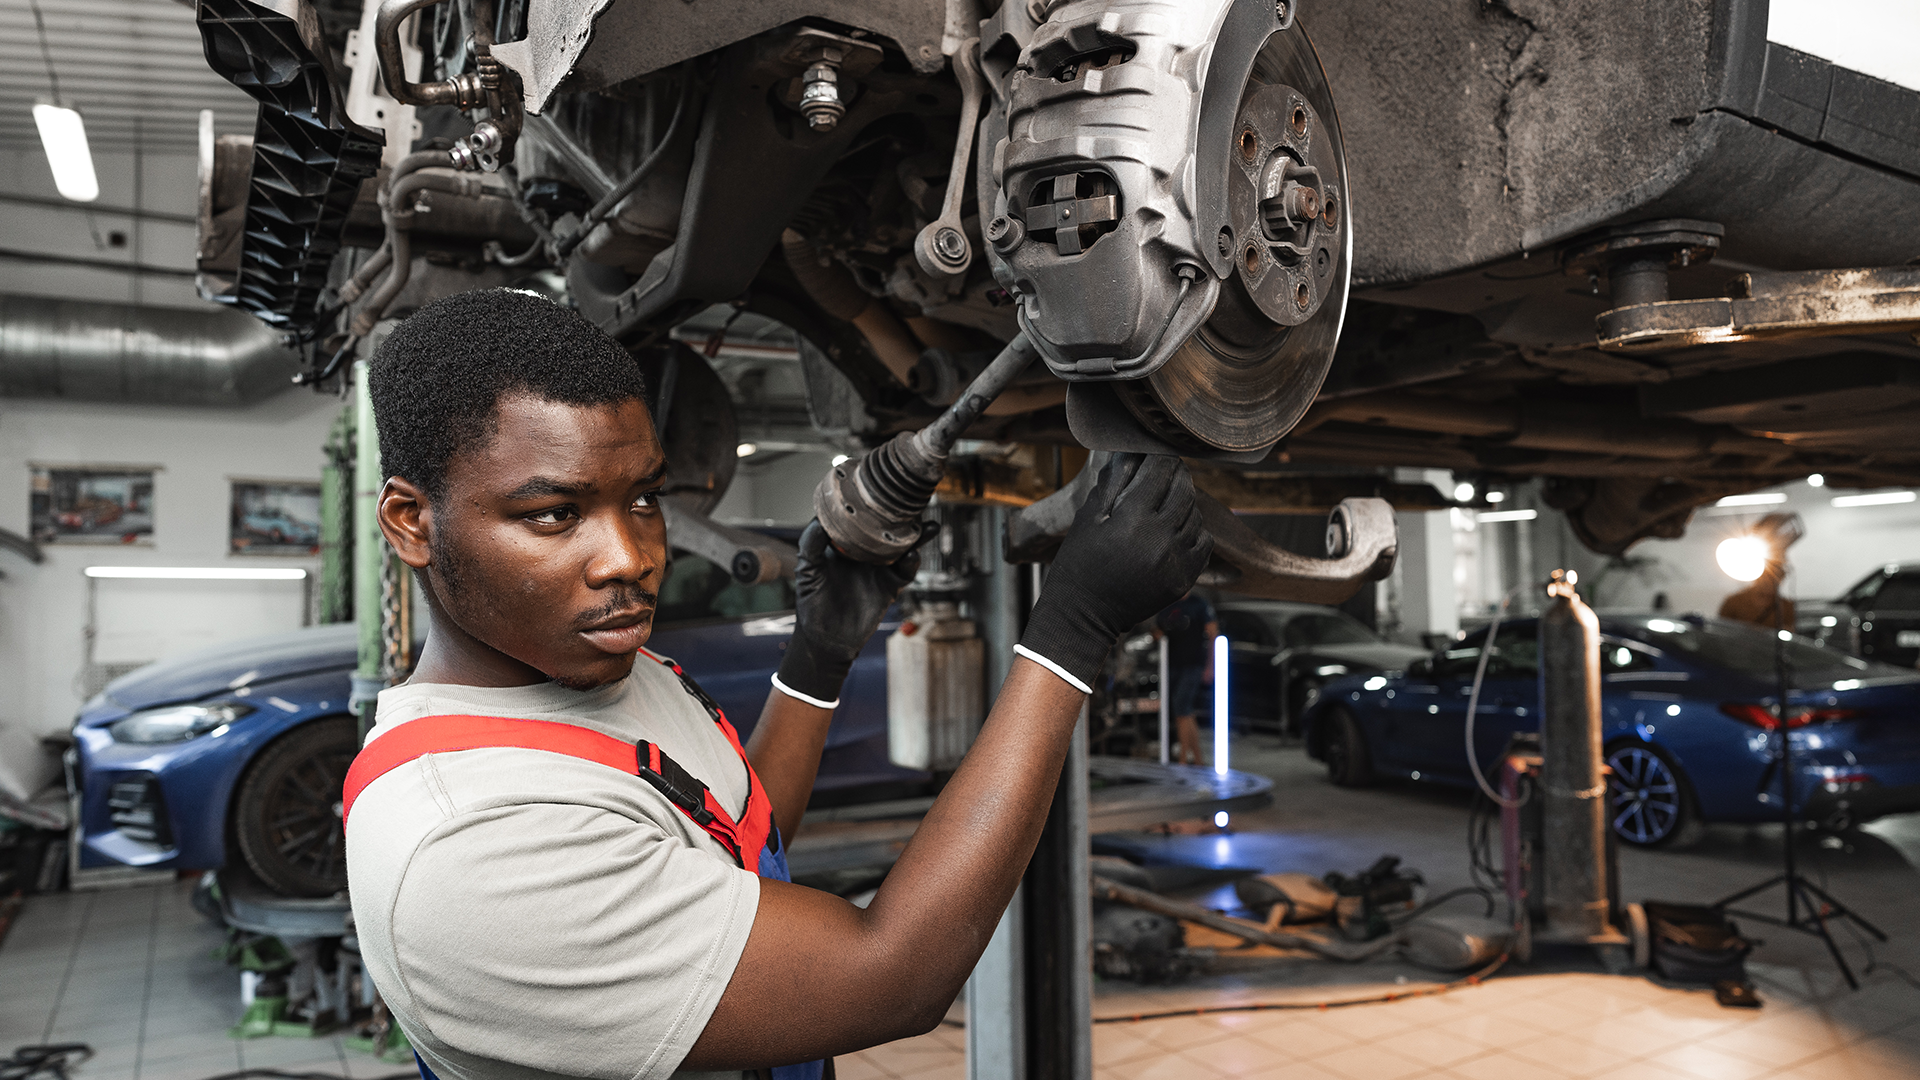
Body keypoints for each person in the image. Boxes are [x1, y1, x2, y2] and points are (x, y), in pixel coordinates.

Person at [342, 289, 1211, 1080]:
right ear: (412, 523)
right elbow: (893, 977)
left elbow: (729, 851)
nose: (632, 558)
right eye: (553, 516)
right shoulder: (464, 848)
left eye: (644, 499)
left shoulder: (604, 669)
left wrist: (815, 663)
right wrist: (1070, 635)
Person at [1154, 590, 1217, 766]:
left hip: (1194, 664)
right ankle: (1197, 759)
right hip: (1173, 664)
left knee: (1181, 706)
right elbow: (1158, 629)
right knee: (1184, 710)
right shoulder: (1167, 603)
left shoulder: (1199, 604)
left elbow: (1213, 633)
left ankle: (1183, 759)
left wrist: (1210, 666)